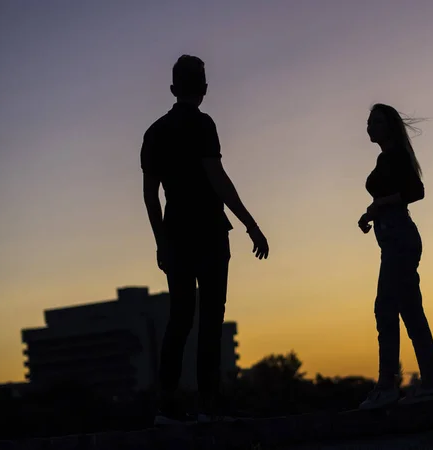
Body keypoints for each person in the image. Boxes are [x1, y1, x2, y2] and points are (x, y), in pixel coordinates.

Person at [141, 55, 269, 425]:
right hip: (210, 232)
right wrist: (250, 224)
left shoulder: (154, 132)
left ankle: (166, 405)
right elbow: (217, 178)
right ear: (205, 88)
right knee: (211, 315)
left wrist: (161, 241)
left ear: (171, 89)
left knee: (179, 317)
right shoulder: (203, 125)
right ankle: (207, 405)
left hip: (177, 233)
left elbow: (152, 197)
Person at [358, 103, 433, 409]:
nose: (369, 127)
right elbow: (390, 197)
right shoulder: (385, 159)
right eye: (368, 123)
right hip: (392, 237)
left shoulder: (397, 156)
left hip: (400, 239)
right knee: (407, 309)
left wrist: (380, 206)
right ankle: (429, 382)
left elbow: (416, 191)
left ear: (390, 126)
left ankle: (387, 384)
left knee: (386, 308)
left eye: (375, 122)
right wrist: (371, 213)